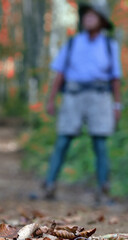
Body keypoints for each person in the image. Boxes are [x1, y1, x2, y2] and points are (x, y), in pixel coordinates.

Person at [44, 3, 122, 202]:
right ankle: (49, 185)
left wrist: (117, 104)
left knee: (100, 144)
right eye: (86, 16)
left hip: (100, 97)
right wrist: (51, 99)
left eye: (92, 17)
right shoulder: (72, 43)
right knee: (63, 141)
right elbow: (59, 74)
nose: (88, 19)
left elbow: (115, 78)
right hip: (73, 95)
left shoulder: (109, 45)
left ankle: (103, 190)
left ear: (102, 22)